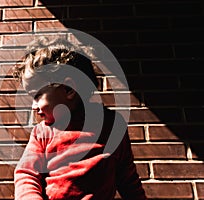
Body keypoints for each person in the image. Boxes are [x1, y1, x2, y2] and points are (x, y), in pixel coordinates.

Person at [13, 36, 147, 200]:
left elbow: (128, 179)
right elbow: (26, 174)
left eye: (37, 95)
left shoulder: (112, 126)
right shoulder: (42, 133)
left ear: (69, 89)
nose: (34, 106)